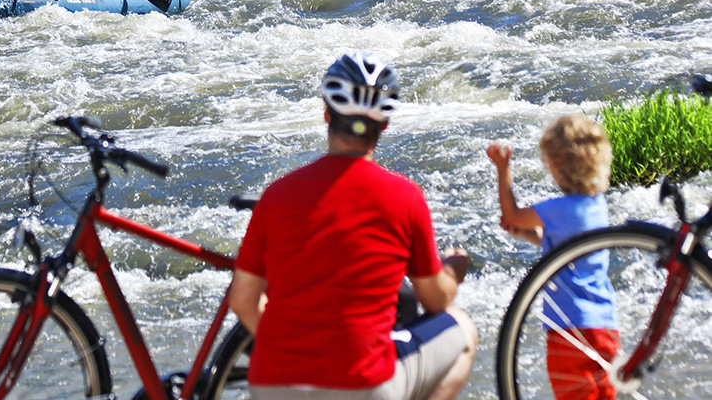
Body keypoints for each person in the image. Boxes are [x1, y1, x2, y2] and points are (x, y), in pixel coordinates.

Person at [230, 52, 477, 400]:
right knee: (462, 329)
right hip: (363, 385)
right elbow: (435, 299)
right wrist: (454, 268)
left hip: (273, 384)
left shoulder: (277, 194)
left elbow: (242, 301)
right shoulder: (404, 197)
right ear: (385, 125)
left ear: (327, 114)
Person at [486, 114, 617, 400]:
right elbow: (567, 249)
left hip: (569, 328)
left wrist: (503, 168)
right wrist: (528, 235)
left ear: (557, 168)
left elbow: (511, 214)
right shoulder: (597, 205)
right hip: (605, 324)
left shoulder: (560, 208)